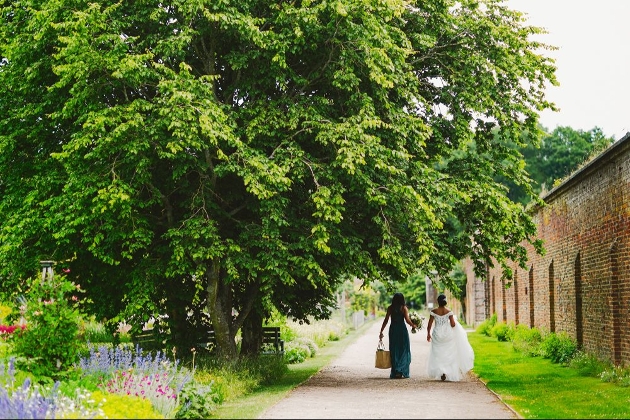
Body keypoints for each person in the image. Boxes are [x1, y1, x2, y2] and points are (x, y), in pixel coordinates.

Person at [426, 294, 475, 382]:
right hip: (447, 334)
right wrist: (452, 321)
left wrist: (428, 334)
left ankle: (441, 371)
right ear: (445, 302)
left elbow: (429, 324)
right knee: (448, 352)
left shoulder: (433, 311)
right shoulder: (449, 311)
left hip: (437, 333)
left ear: (438, 301)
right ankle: (446, 371)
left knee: (438, 353)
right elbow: (453, 324)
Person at [379, 292, 418, 379]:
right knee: (404, 349)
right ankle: (401, 370)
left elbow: (386, 320)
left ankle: (396, 370)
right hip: (402, 330)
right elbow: (407, 320)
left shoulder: (390, 308)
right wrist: (413, 325)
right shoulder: (403, 308)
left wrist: (381, 331)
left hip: (393, 330)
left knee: (394, 349)